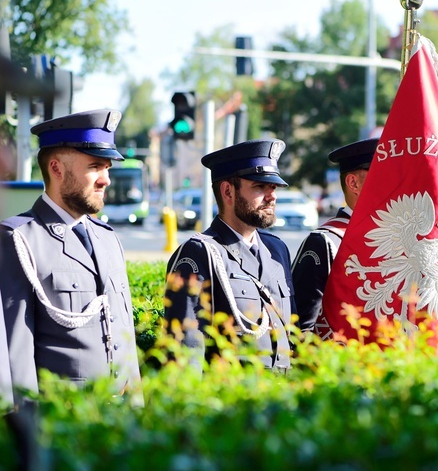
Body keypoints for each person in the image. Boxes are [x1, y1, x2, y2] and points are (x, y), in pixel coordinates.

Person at [0, 109, 142, 404]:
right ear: (56, 169)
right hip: (63, 425)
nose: (106, 180)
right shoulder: (19, 239)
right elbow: (15, 357)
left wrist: (137, 409)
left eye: (108, 168)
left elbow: (124, 338)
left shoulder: (107, 238)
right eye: (95, 166)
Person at [164, 139, 295, 372]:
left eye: (273, 188)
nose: (271, 196)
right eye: (259, 187)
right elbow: (186, 351)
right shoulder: (199, 253)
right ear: (228, 191)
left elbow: (293, 334)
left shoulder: (277, 250)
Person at [291, 138, 379, 337]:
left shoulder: (395, 240)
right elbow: (301, 327)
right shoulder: (325, 242)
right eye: (382, 175)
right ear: (353, 183)